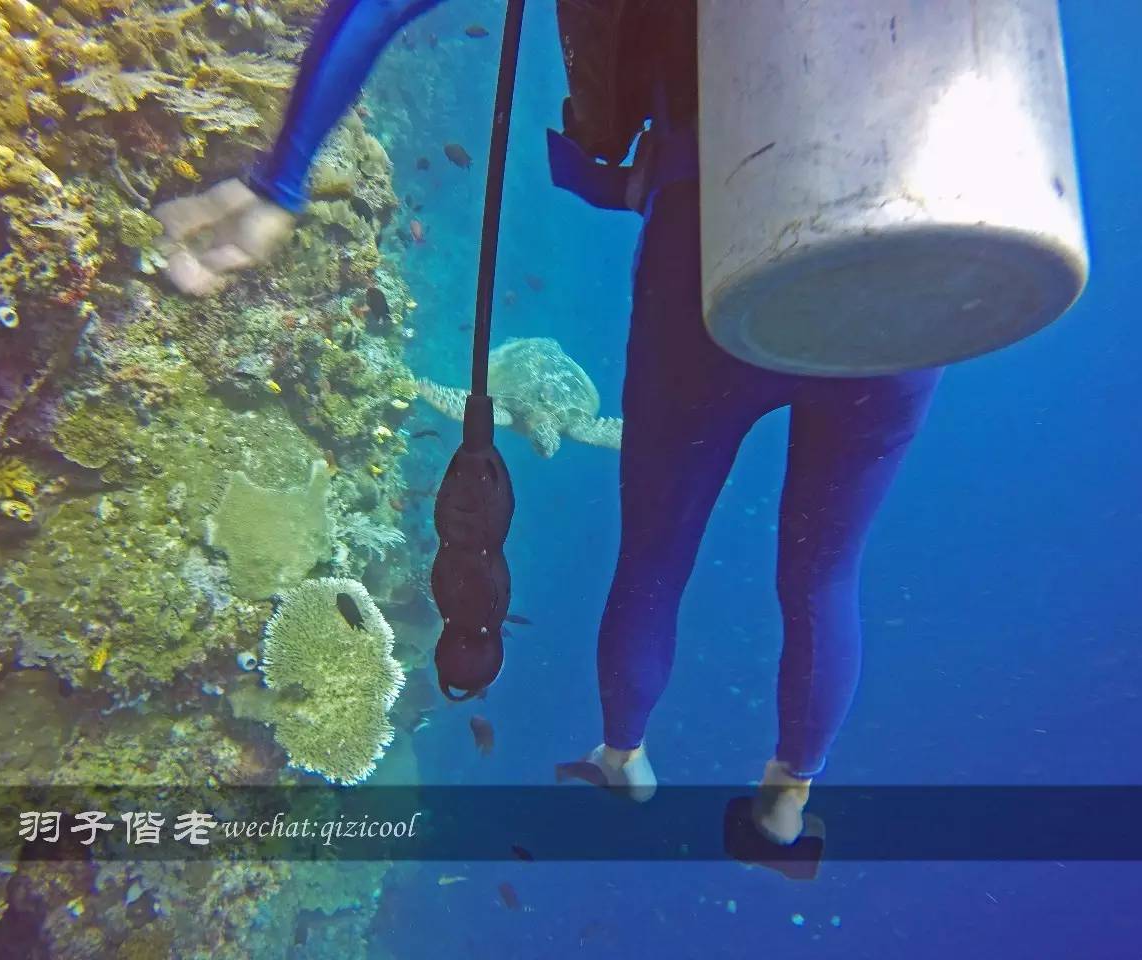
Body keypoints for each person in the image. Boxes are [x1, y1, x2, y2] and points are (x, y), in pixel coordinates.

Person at [155, 0, 942, 847]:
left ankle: (624, 757)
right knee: (824, 574)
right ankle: (787, 802)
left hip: (709, 251)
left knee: (653, 562)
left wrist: (279, 182)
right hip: (908, 268)